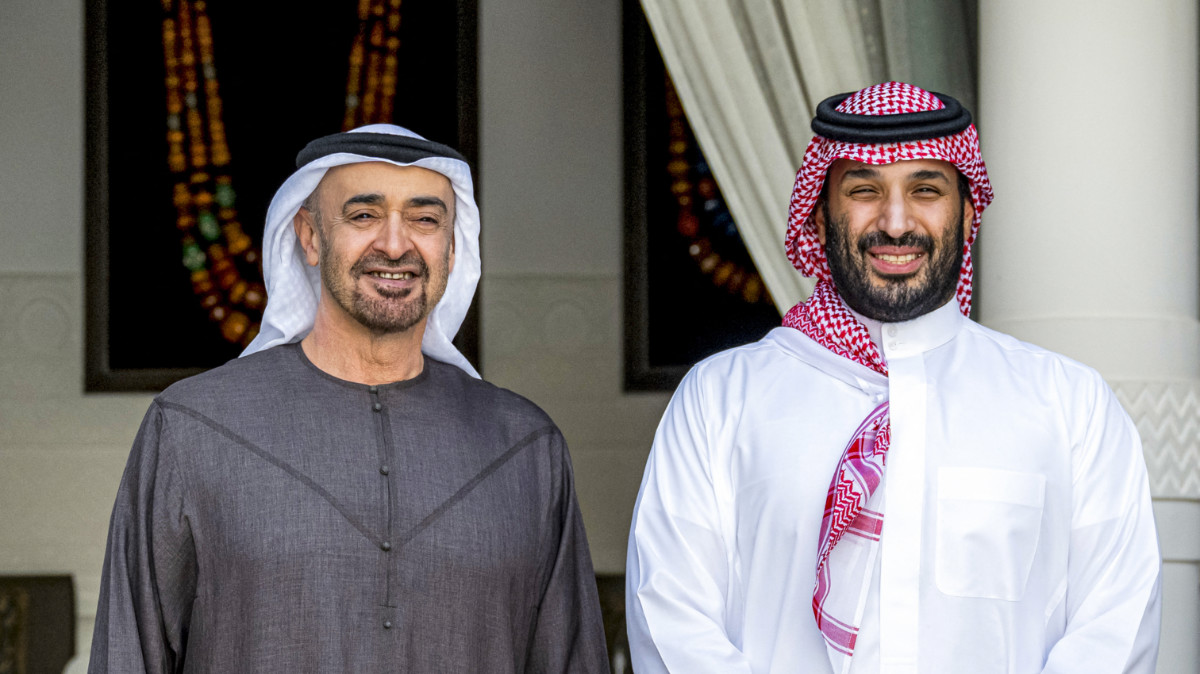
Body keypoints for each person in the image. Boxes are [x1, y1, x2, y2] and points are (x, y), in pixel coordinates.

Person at [625, 82, 1161, 673]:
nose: (897, 222)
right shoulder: (720, 399)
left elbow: (1115, 624)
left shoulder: (1069, 405)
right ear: (820, 215)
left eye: (926, 190)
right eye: (864, 190)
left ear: (968, 212)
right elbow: (670, 618)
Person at [90, 125, 610, 672]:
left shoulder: (525, 447)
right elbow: (128, 653)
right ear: (310, 237)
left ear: (453, 248)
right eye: (364, 215)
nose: (395, 244)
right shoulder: (192, 428)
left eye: (425, 220)